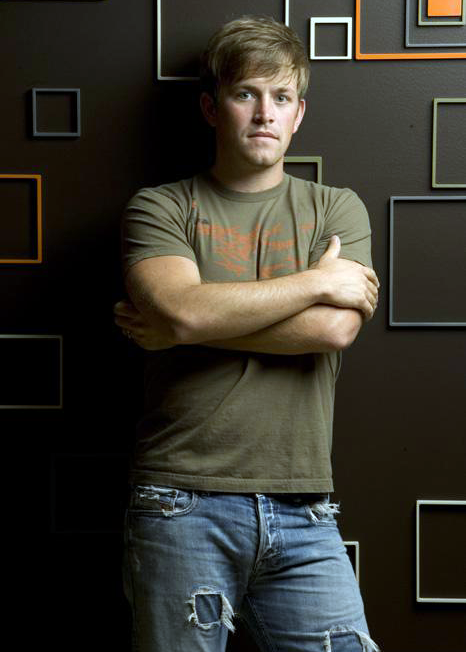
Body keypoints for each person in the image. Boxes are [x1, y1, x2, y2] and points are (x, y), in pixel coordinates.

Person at [114, 15, 381, 652]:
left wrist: (185, 326)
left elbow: (333, 328)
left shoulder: (335, 208)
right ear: (212, 108)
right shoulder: (161, 207)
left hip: (304, 507)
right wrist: (315, 281)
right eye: (245, 94)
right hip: (180, 501)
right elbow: (181, 310)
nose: (265, 113)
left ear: (298, 114)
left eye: (281, 97)